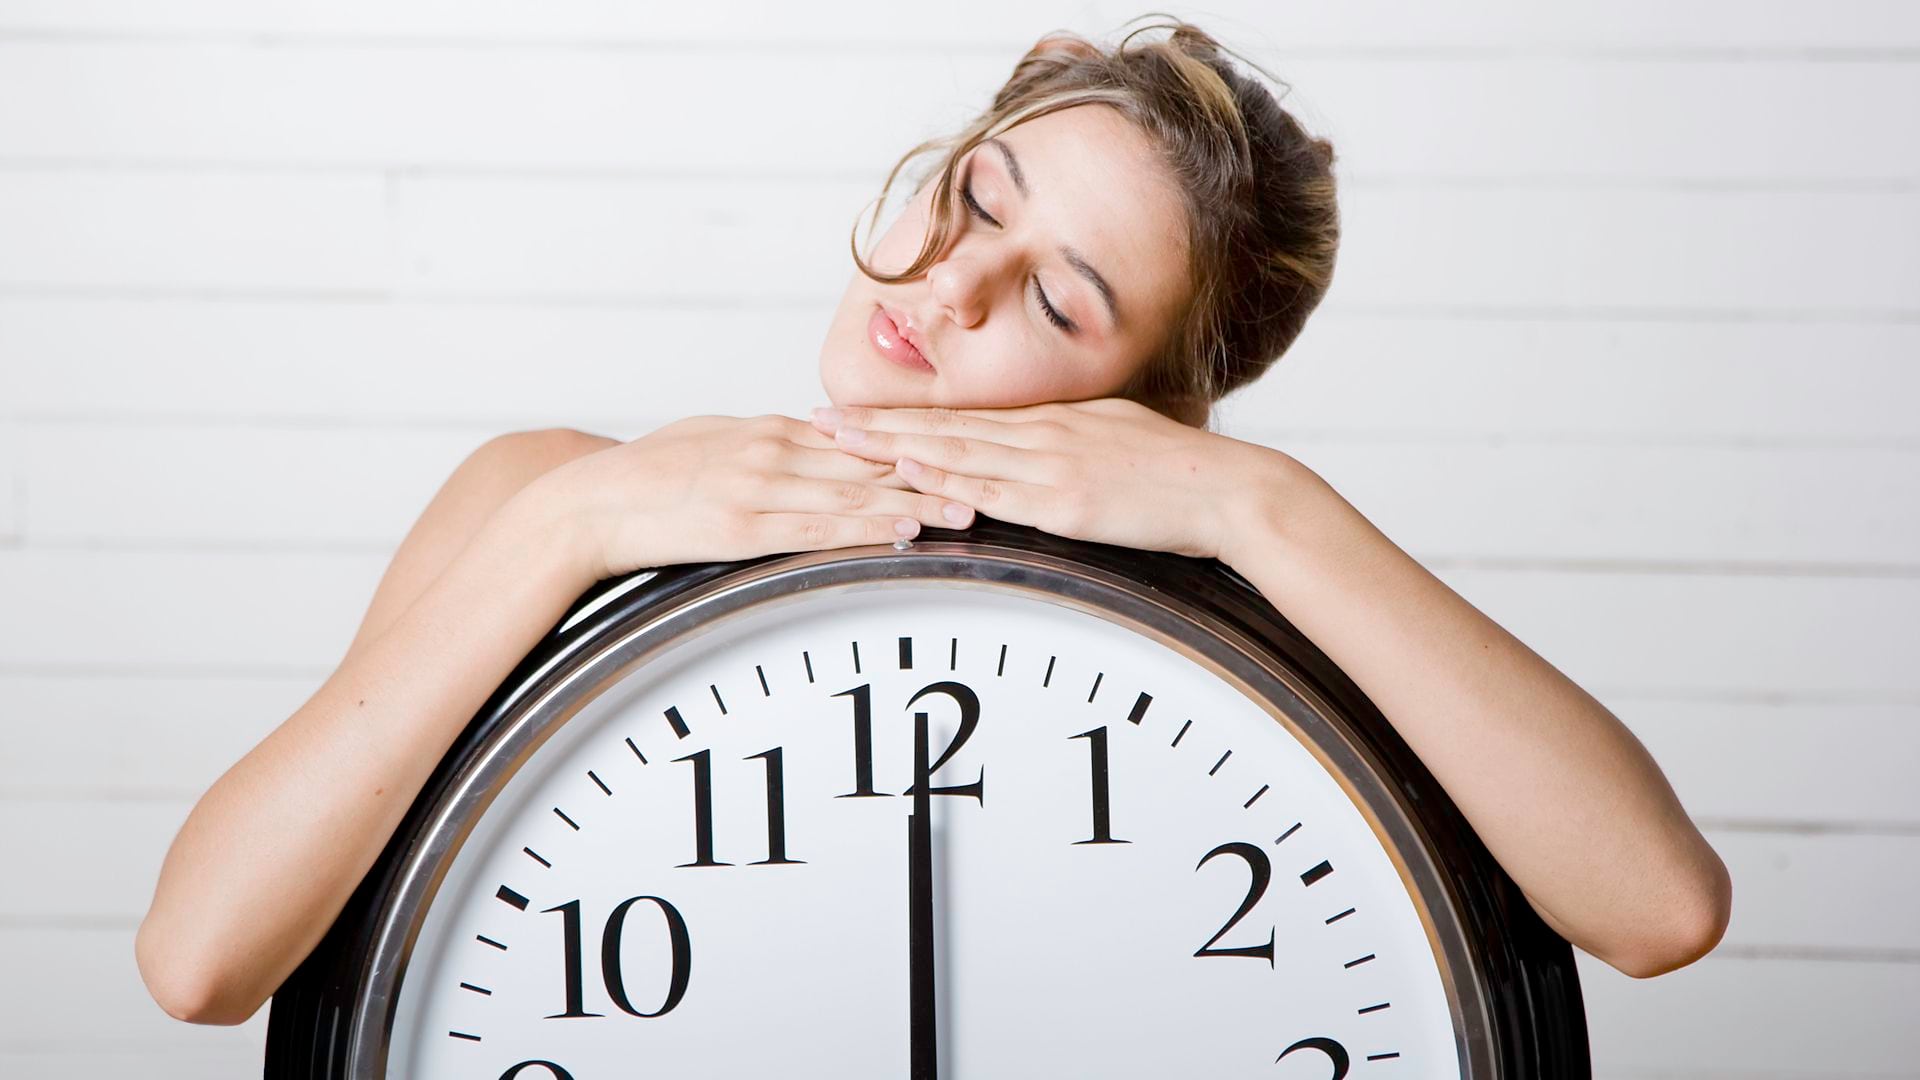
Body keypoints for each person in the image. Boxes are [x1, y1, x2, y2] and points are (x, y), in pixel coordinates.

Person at [135, 18, 1731, 1027]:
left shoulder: (1252, 626)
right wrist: (570, 527)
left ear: (1142, 401)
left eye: (1056, 298)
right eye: (977, 196)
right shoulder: (549, 498)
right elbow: (200, 963)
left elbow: (1661, 910)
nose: (949, 284)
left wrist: (1257, 500)